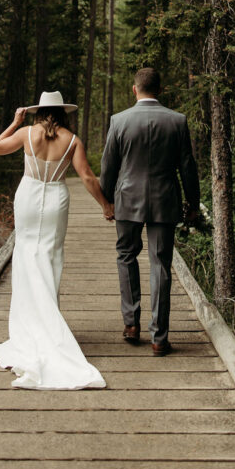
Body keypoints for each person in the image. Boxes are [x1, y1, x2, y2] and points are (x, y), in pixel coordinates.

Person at [0, 89, 113, 389]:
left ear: (37, 112)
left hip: (28, 196)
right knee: (50, 256)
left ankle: (32, 324)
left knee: (25, 255)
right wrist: (106, 205)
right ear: (62, 114)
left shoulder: (25, 133)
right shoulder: (72, 140)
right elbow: (86, 177)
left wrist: (14, 121)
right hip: (56, 197)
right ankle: (49, 318)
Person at [100, 67, 200, 356]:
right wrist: (193, 205)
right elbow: (187, 168)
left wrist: (108, 202)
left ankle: (131, 324)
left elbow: (109, 166)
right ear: (160, 89)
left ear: (135, 89)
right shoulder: (177, 121)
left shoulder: (119, 121)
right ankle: (159, 338)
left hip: (127, 199)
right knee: (160, 264)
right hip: (164, 201)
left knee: (126, 255)